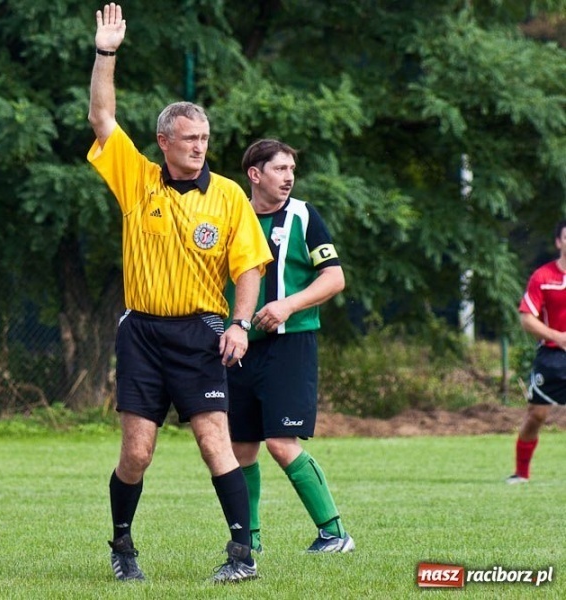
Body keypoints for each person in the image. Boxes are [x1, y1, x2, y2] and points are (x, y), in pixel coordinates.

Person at [87, 3, 273, 584]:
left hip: (201, 331)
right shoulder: (137, 178)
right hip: (141, 331)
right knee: (136, 454)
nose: (199, 146)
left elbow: (249, 269)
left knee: (214, 440)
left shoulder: (229, 199)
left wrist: (239, 324)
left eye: (205, 138)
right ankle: (122, 547)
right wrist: (106, 52)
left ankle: (242, 556)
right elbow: (100, 118)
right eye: (189, 138)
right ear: (163, 141)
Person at [225, 138, 353, 555]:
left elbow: (334, 278)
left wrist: (286, 306)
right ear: (255, 174)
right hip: (239, 347)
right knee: (241, 447)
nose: (289, 177)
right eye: (280, 169)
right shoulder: (233, 214)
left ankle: (335, 533)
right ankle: (251, 541)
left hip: (289, 345)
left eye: (292, 170)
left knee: (281, 443)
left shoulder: (303, 215)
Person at [507, 219, 566, 484]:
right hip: (552, 357)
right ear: (558, 242)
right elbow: (527, 318)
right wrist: (558, 337)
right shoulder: (543, 277)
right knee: (536, 414)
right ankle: (521, 473)